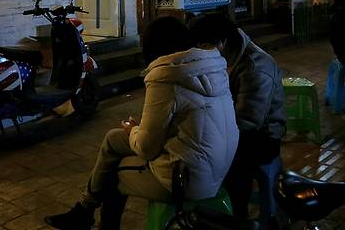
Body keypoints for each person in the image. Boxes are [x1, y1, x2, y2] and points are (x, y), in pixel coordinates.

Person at [44, 16, 238, 230]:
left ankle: (89, 215)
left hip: (187, 180)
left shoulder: (167, 77)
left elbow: (146, 147)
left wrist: (133, 130)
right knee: (113, 138)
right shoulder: (211, 67)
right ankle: (83, 211)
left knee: (113, 173)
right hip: (218, 168)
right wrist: (137, 130)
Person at [189, 13, 286, 222]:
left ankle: (237, 217)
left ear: (222, 42)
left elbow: (248, 121)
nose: (200, 52)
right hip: (231, 128)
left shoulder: (255, 67)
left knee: (231, 163)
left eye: (203, 46)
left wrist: (210, 132)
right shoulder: (224, 58)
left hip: (262, 136)